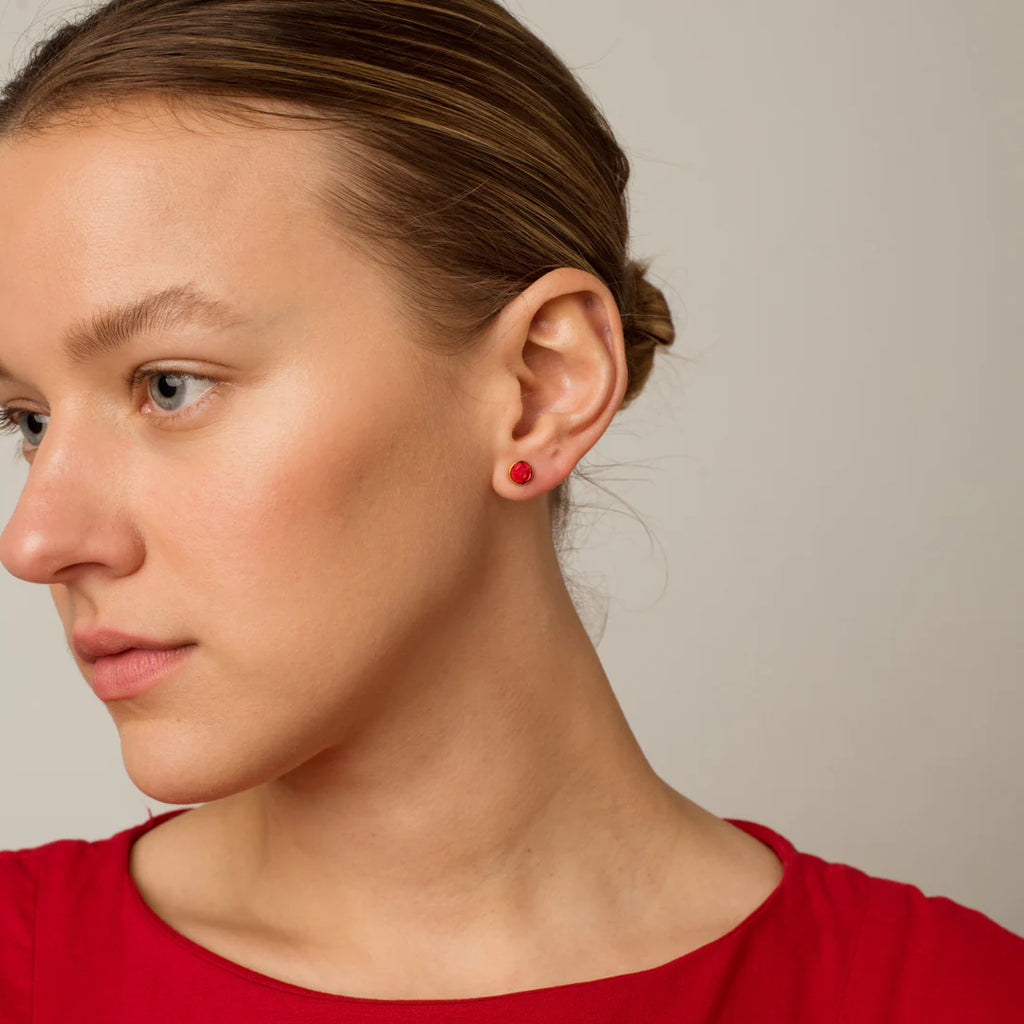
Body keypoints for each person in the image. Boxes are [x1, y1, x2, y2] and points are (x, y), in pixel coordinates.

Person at [0, 0, 1020, 1020]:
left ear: (541, 386)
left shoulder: (950, 998)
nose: (36, 539)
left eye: (170, 384)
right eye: (29, 420)